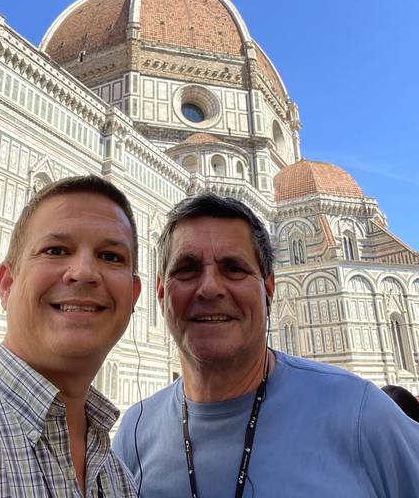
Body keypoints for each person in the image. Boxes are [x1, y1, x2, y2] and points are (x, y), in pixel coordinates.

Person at [114, 193, 419, 498]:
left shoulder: (360, 413)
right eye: (187, 269)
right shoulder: (134, 433)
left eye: (233, 268)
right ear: (161, 292)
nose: (209, 288)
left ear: (268, 289)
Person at [0, 175, 141, 497]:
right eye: (56, 250)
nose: (85, 272)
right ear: (7, 284)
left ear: (133, 296)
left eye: (110, 256)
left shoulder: (118, 480)